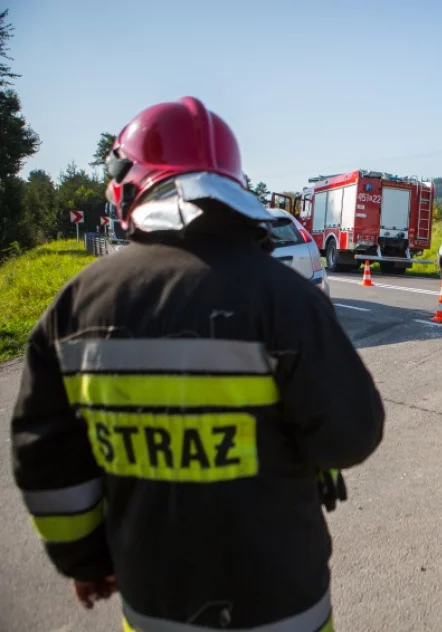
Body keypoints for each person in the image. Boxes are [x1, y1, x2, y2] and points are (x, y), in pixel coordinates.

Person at [10, 97, 385, 631]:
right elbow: (353, 435)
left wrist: (85, 562)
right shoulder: (287, 297)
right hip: (284, 603)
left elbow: (47, 464)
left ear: (128, 185)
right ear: (230, 187)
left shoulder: (75, 308)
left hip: (154, 602)